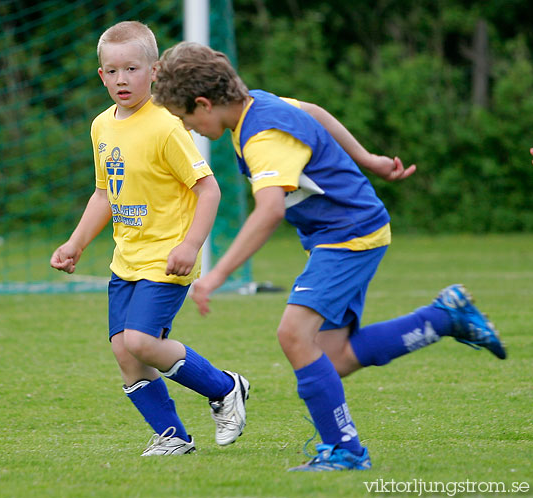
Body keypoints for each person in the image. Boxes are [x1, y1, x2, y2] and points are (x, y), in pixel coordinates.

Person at [152, 41, 506, 471]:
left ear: (204, 104)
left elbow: (270, 211)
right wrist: (368, 159)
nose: (187, 128)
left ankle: (345, 451)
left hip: (348, 235)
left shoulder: (263, 136)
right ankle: (445, 317)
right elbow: (314, 111)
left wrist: (217, 274)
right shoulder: (260, 104)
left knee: (294, 335)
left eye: (184, 117)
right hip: (343, 232)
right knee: (333, 357)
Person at [50, 22, 249, 456]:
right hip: (127, 259)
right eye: (112, 71)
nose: (122, 79)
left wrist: (191, 245)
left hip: (167, 257)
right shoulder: (101, 126)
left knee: (141, 341)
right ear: (101, 75)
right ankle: (173, 436)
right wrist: (76, 243)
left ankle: (225, 388)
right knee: (126, 352)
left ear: (155, 71)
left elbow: (207, 189)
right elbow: (105, 192)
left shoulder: (166, 125)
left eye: (132, 69)